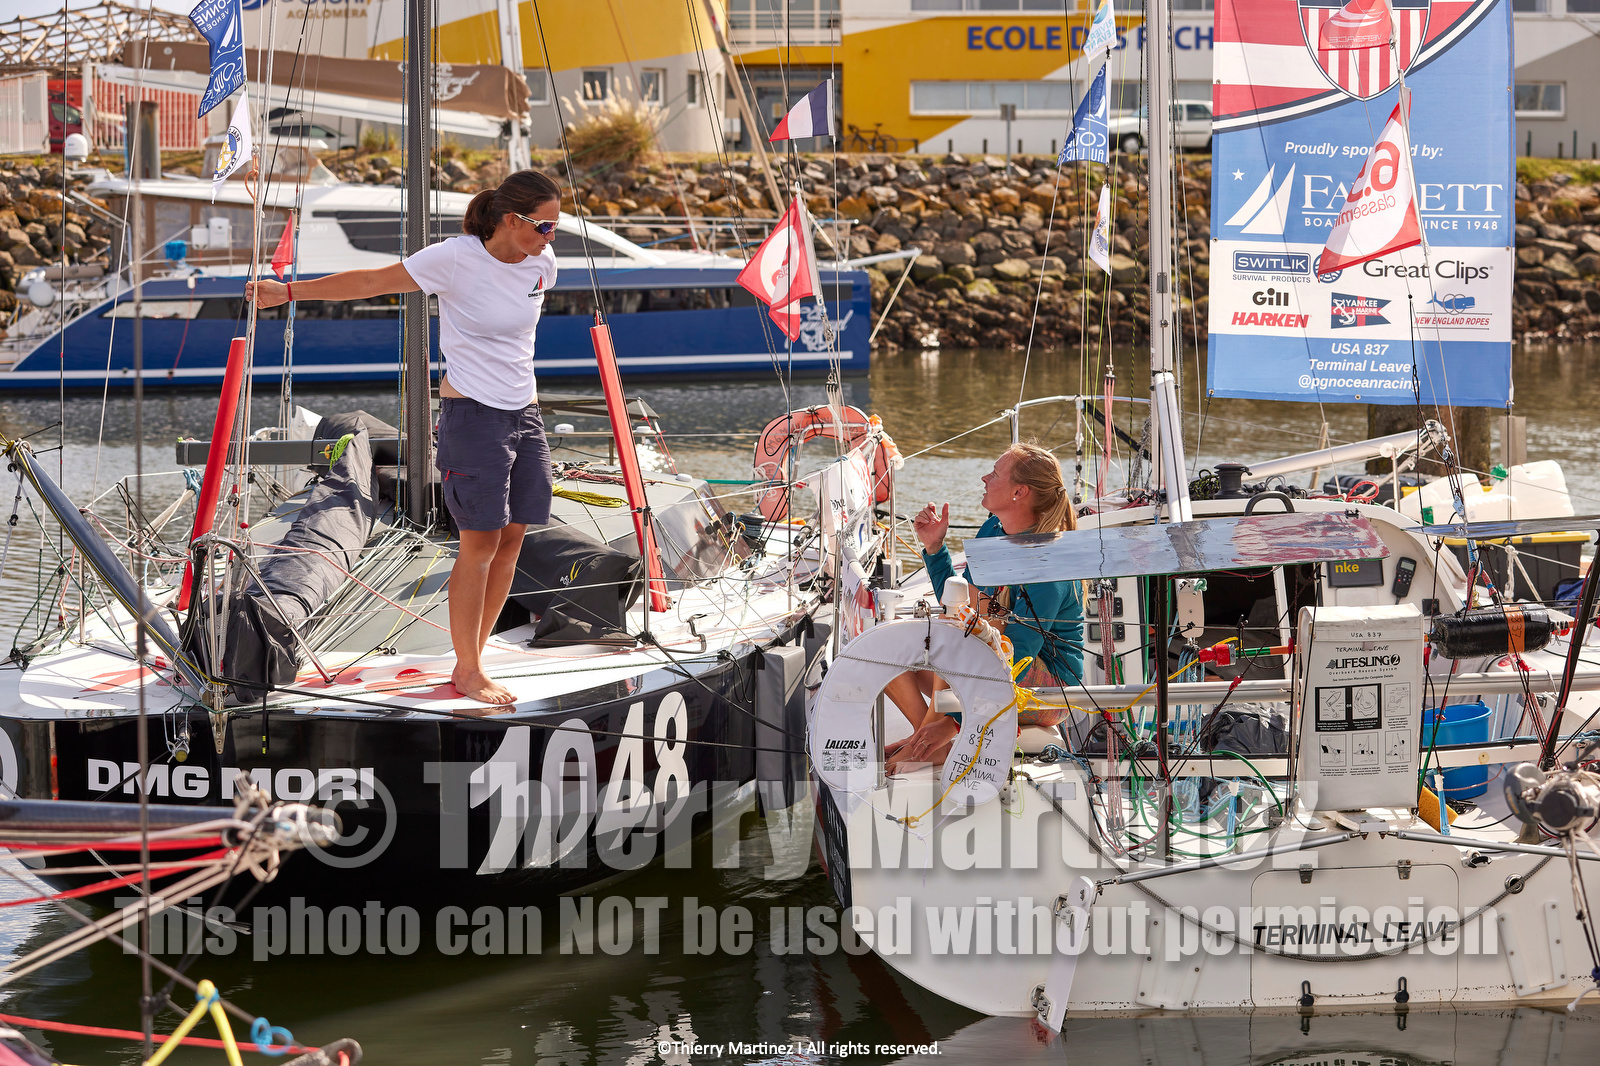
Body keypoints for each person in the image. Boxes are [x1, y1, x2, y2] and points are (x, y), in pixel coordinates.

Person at [247, 170, 562, 704]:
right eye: (545, 226)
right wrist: (289, 292)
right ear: (512, 220)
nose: (552, 237)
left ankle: (475, 657)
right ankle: (468, 670)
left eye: (556, 226)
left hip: (525, 415)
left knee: (514, 539)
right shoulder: (456, 258)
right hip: (474, 417)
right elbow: (371, 282)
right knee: (480, 543)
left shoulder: (542, 263)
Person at [884, 442, 1085, 771]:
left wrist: (953, 722)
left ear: (1019, 492)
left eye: (994, 473)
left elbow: (1016, 656)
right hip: (990, 664)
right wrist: (934, 547)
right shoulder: (993, 530)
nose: (984, 478)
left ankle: (929, 742)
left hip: (1047, 691)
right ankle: (925, 742)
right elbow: (958, 600)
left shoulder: (1050, 564)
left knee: (961, 633)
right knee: (890, 650)